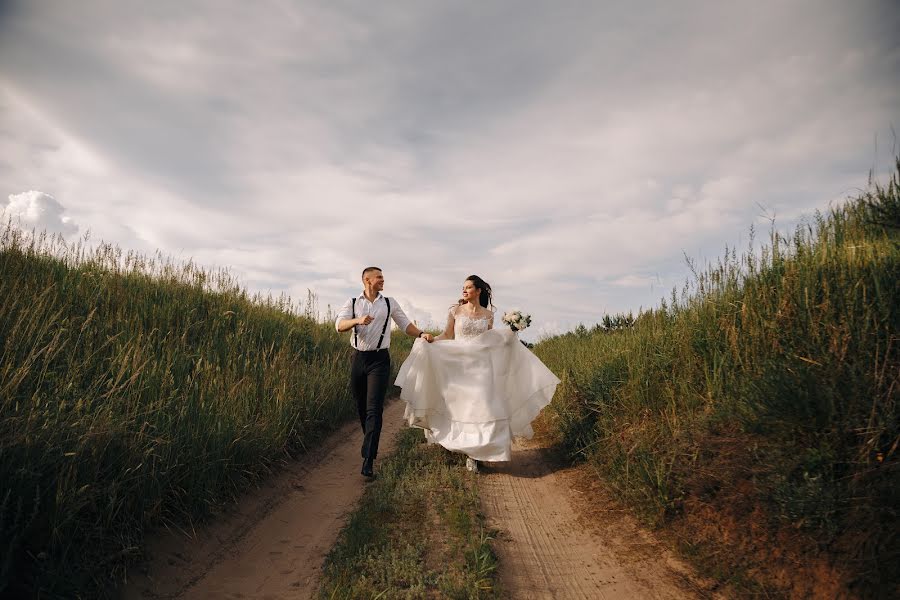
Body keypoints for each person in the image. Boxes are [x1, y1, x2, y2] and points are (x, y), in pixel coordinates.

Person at [395, 275, 560, 473]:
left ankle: (476, 454)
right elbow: (447, 335)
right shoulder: (455, 311)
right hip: (458, 363)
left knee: (483, 405)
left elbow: (490, 340)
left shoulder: (488, 315)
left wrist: (510, 334)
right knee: (462, 407)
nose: (464, 291)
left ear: (478, 290)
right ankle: (468, 451)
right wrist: (431, 341)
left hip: (481, 365)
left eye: (468, 287)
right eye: (463, 288)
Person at [335, 267, 434, 479]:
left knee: (374, 409)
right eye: (379, 277)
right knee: (361, 405)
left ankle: (368, 459)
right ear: (367, 280)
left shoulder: (389, 303)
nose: (383, 280)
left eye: (382, 277)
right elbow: (339, 325)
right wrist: (357, 320)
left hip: (380, 360)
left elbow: (406, 325)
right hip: (358, 358)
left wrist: (422, 333)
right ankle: (369, 439)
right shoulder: (353, 302)